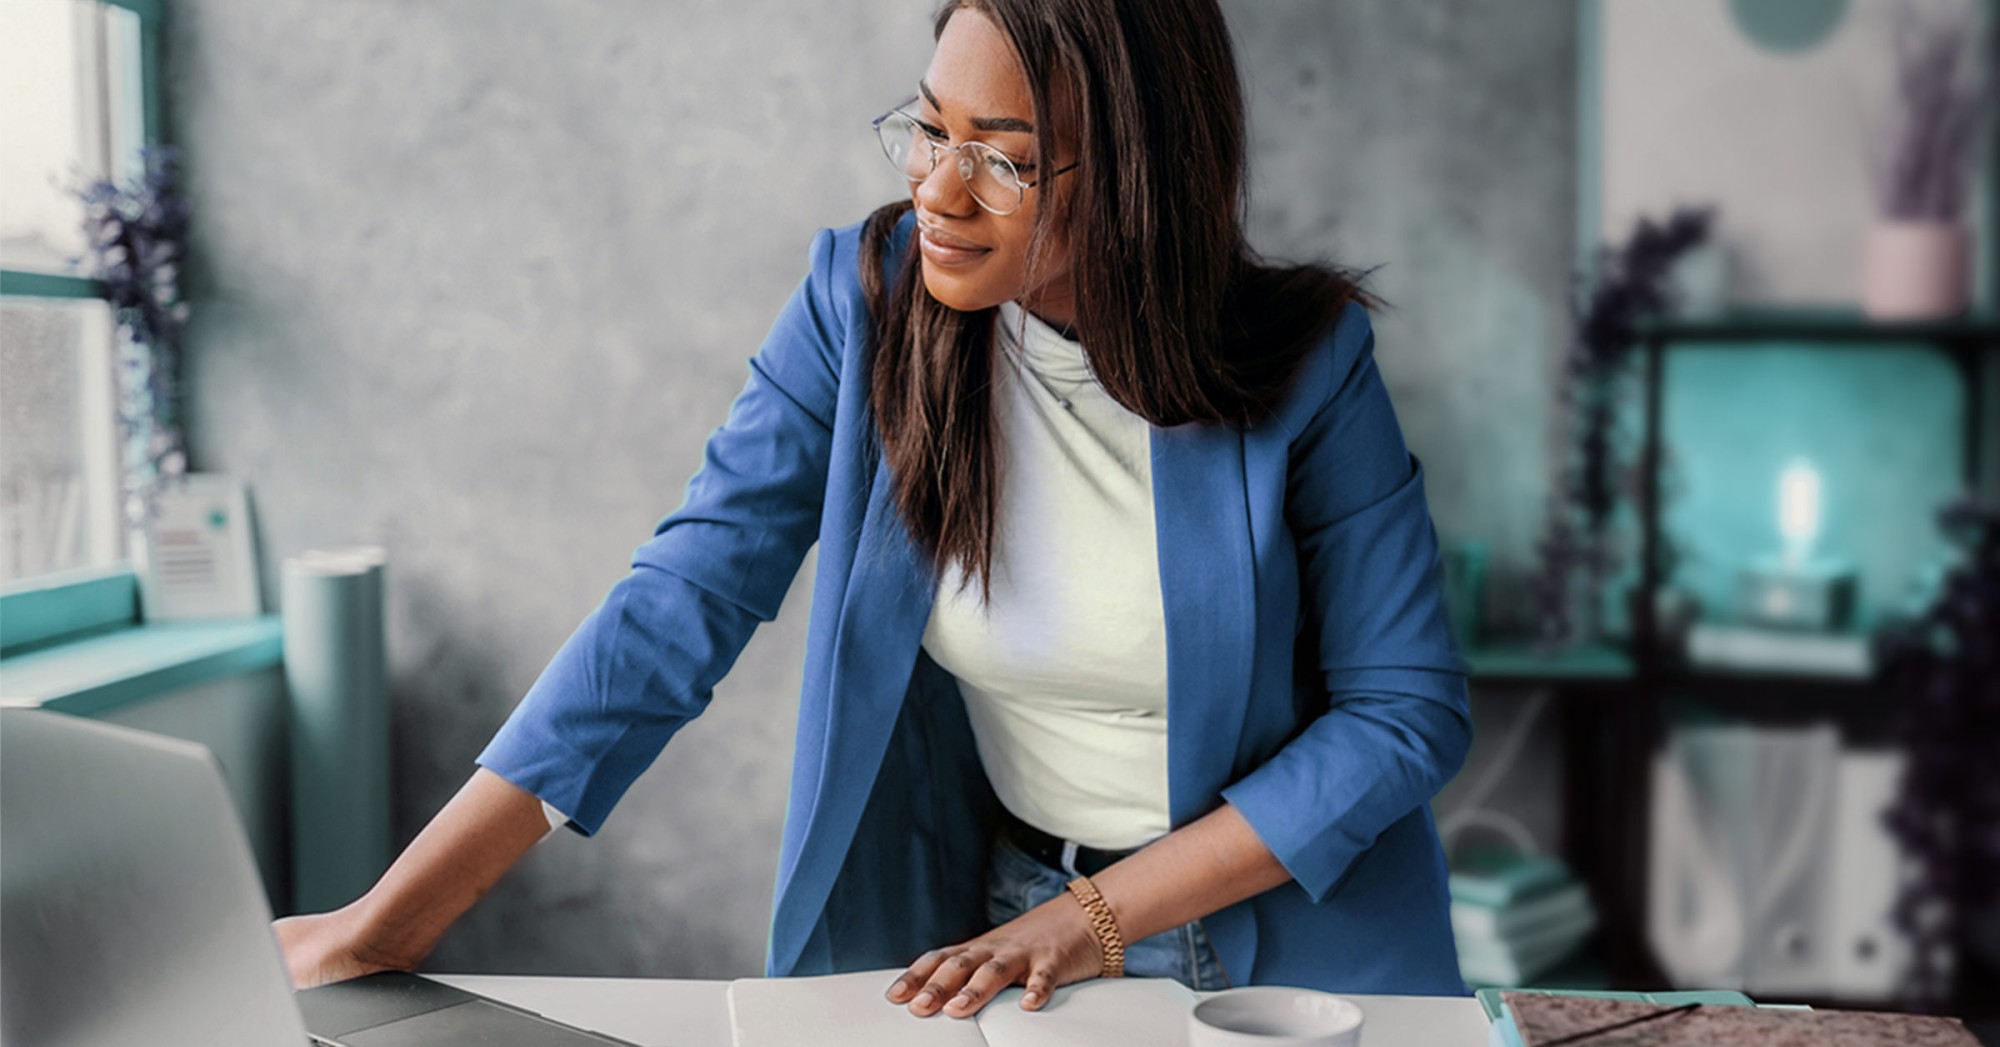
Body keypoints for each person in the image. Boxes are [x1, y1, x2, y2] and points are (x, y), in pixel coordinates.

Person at [277, 0, 1471, 1020]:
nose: (937, 190)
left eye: (1002, 157)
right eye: (930, 128)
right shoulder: (863, 306)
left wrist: (1094, 920)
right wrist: (391, 920)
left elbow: (1402, 715)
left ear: (1136, 173)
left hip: (1295, 953)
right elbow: (680, 600)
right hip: (1009, 927)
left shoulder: (1305, 363)